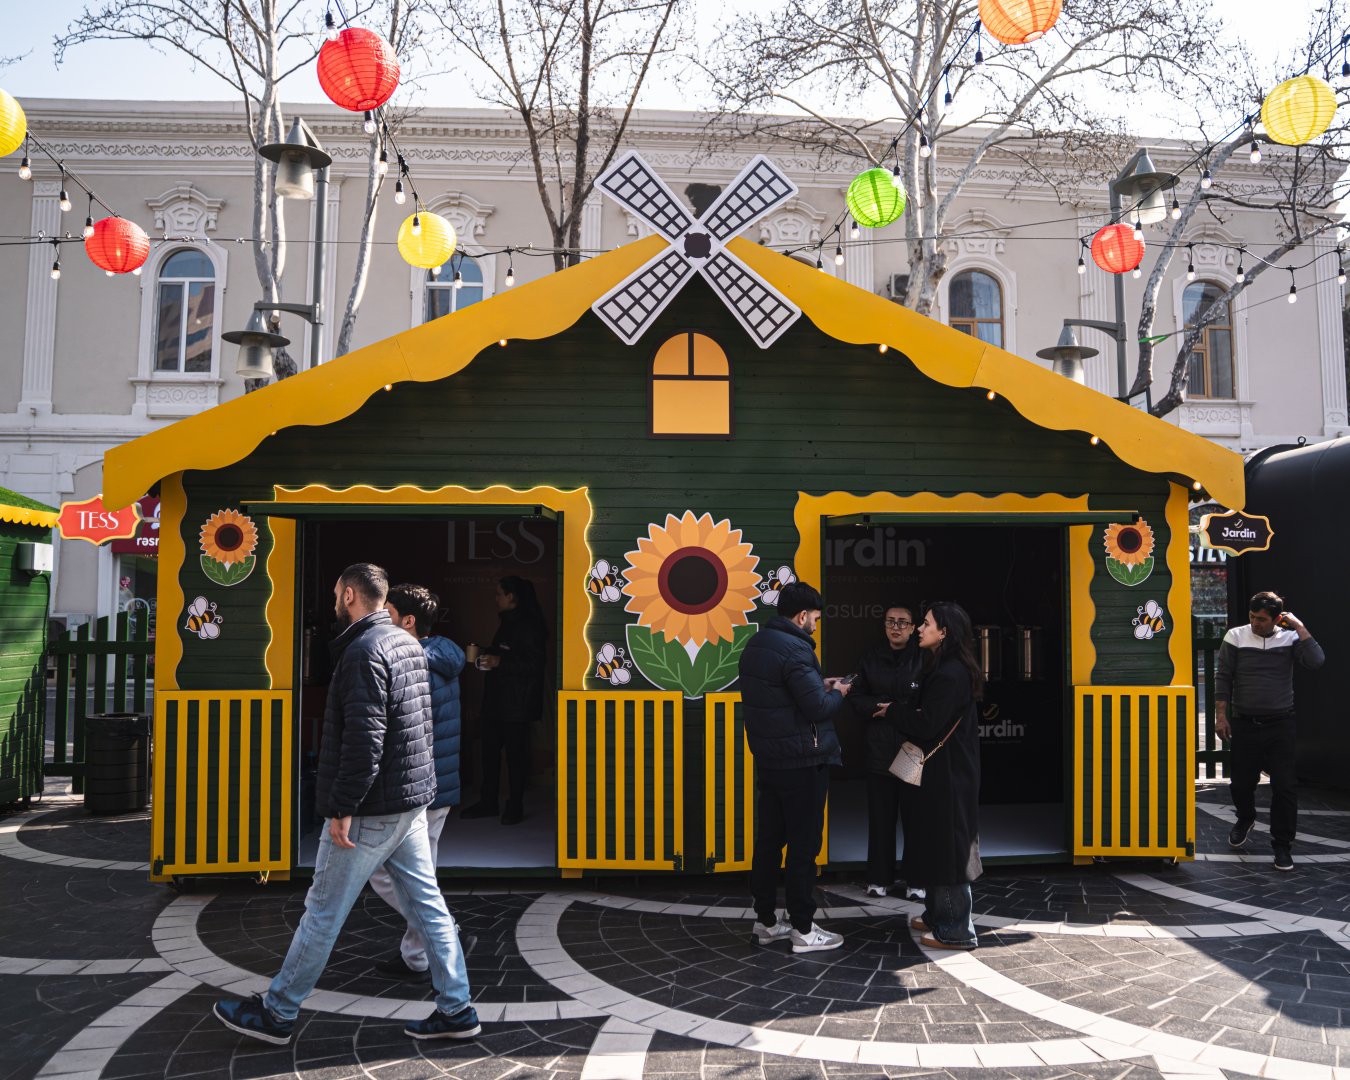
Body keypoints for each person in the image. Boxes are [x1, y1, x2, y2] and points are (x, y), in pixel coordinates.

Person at [212, 564, 480, 1045]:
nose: (333, 601)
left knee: (322, 912)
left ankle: (277, 1013)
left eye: (336, 593)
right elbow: (418, 727)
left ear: (351, 595)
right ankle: (457, 1009)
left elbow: (364, 740)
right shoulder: (404, 642)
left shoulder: (363, 651)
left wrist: (341, 808)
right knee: (430, 909)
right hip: (409, 803)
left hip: (373, 808)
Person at [738, 580, 851, 953]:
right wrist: (837, 692)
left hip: (771, 761)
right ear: (802, 616)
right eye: (815, 619)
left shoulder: (757, 644)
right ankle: (803, 929)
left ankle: (766, 921)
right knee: (803, 847)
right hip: (804, 762)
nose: (816, 627)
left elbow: (782, 695)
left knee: (769, 842)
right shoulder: (798, 650)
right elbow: (817, 709)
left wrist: (820, 683)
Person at [369, 583, 466, 980]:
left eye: (387, 610)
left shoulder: (411, 664)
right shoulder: (440, 654)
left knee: (379, 868)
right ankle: (419, 953)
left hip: (418, 788)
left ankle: (438, 930)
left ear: (407, 621)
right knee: (417, 875)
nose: (380, 617)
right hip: (433, 786)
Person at [1214, 590, 1324, 871]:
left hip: (1280, 723)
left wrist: (1299, 627)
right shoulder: (1236, 636)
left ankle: (1282, 846)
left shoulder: (1289, 638)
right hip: (1245, 723)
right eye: (1252, 616)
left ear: (1277, 618)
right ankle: (1246, 817)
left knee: (1285, 787)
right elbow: (1224, 676)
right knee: (1240, 783)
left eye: (1261, 619)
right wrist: (1221, 716)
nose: (1255, 622)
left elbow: (1316, 661)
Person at [903, 601, 983, 951]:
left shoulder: (950, 674)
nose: (919, 628)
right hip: (943, 770)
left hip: (949, 774)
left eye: (925, 623)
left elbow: (928, 723)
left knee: (950, 848)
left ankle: (955, 927)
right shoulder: (945, 666)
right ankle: (937, 914)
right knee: (936, 842)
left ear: (944, 632)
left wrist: (894, 713)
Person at [848, 605, 923, 899]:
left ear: (913, 627)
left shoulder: (923, 658)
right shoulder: (871, 658)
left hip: (911, 747)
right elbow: (855, 695)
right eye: (891, 621)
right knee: (881, 817)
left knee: (914, 817)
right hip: (878, 747)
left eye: (903, 622)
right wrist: (878, 709)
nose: (896, 627)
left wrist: (894, 710)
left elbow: (927, 702)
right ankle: (879, 878)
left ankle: (917, 880)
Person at [460, 576, 547, 825]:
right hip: (497, 702)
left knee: (516, 757)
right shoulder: (508, 622)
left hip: (517, 705)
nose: (495, 598)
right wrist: (490, 655)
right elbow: (513, 654)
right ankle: (489, 802)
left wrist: (500, 661)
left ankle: (514, 805)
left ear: (512, 597)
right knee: (489, 753)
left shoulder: (530, 625)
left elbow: (535, 664)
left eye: (499, 594)